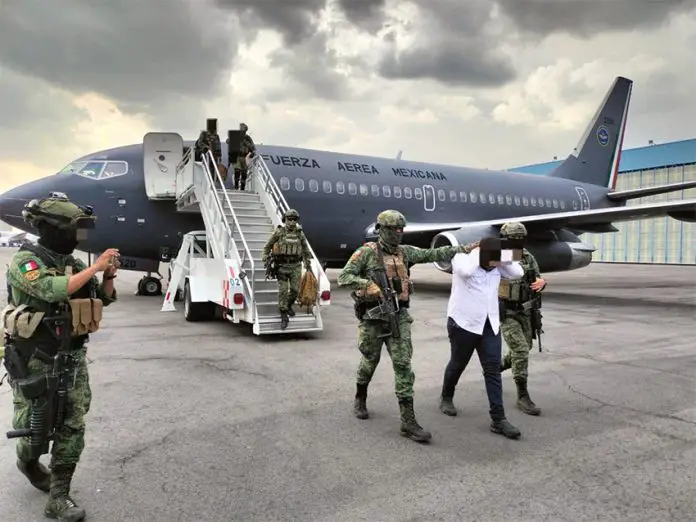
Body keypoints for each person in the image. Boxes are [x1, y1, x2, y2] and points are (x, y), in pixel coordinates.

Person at [2, 193, 119, 521]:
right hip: (35, 357)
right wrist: (96, 265)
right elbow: (53, 289)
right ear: (50, 228)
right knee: (33, 428)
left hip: (72, 355)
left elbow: (100, 298)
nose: (76, 238)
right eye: (71, 230)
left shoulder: (74, 262)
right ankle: (27, 461)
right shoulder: (26, 261)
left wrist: (107, 276)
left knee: (73, 424)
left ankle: (59, 496)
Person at [337, 209, 479, 443]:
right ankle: (360, 396)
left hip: (398, 315)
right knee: (369, 362)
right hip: (373, 318)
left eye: (400, 229)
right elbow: (344, 277)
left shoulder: (405, 253)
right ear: (381, 229)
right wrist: (367, 284)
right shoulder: (366, 253)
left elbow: (434, 252)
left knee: (403, 366)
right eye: (393, 229)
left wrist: (464, 248)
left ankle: (408, 421)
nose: (398, 233)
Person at [438, 232, 525, 439]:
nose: (496, 266)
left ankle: (498, 419)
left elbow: (518, 272)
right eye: (493, 261)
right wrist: (478, 251)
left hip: (489, 325)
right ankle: (446, 396)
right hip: (463, 324)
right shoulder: (462, 259)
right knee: (458, 363)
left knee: (493, 370)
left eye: (498, 262)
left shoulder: (497, 264)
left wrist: (502, 256)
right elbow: (466, 271)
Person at [498, 221, 546, 416]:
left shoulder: (528, 257)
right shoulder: (496, 257)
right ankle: (522, 395)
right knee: (520, 350)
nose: (517, 242)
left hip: (525, 311)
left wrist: (542, 283)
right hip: (507, 313)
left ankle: (494, 369)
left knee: (524, 348)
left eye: (520, 238)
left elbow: (537, 279)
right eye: (512, 238)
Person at [261, 208, 312, 329]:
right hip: (282, 266)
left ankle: (288, 305)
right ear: (285, 220)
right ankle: (283, 314)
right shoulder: (279, 232)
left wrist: (307, 262)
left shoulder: (300, 233)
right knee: (283, 291)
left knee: (295, 289)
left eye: (294, 219)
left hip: (295, 266)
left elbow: (305, 249)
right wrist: (264, 256)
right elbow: (267, 246)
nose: (292, 222)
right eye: (290, 219)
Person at [233, 122, 256, 191]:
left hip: (244, 157)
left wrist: (246, 143)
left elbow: (253, 147)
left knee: (244, 173)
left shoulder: (248, 138)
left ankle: (242, 188)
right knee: (237, 171)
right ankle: (236, 186)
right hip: (238, 156)